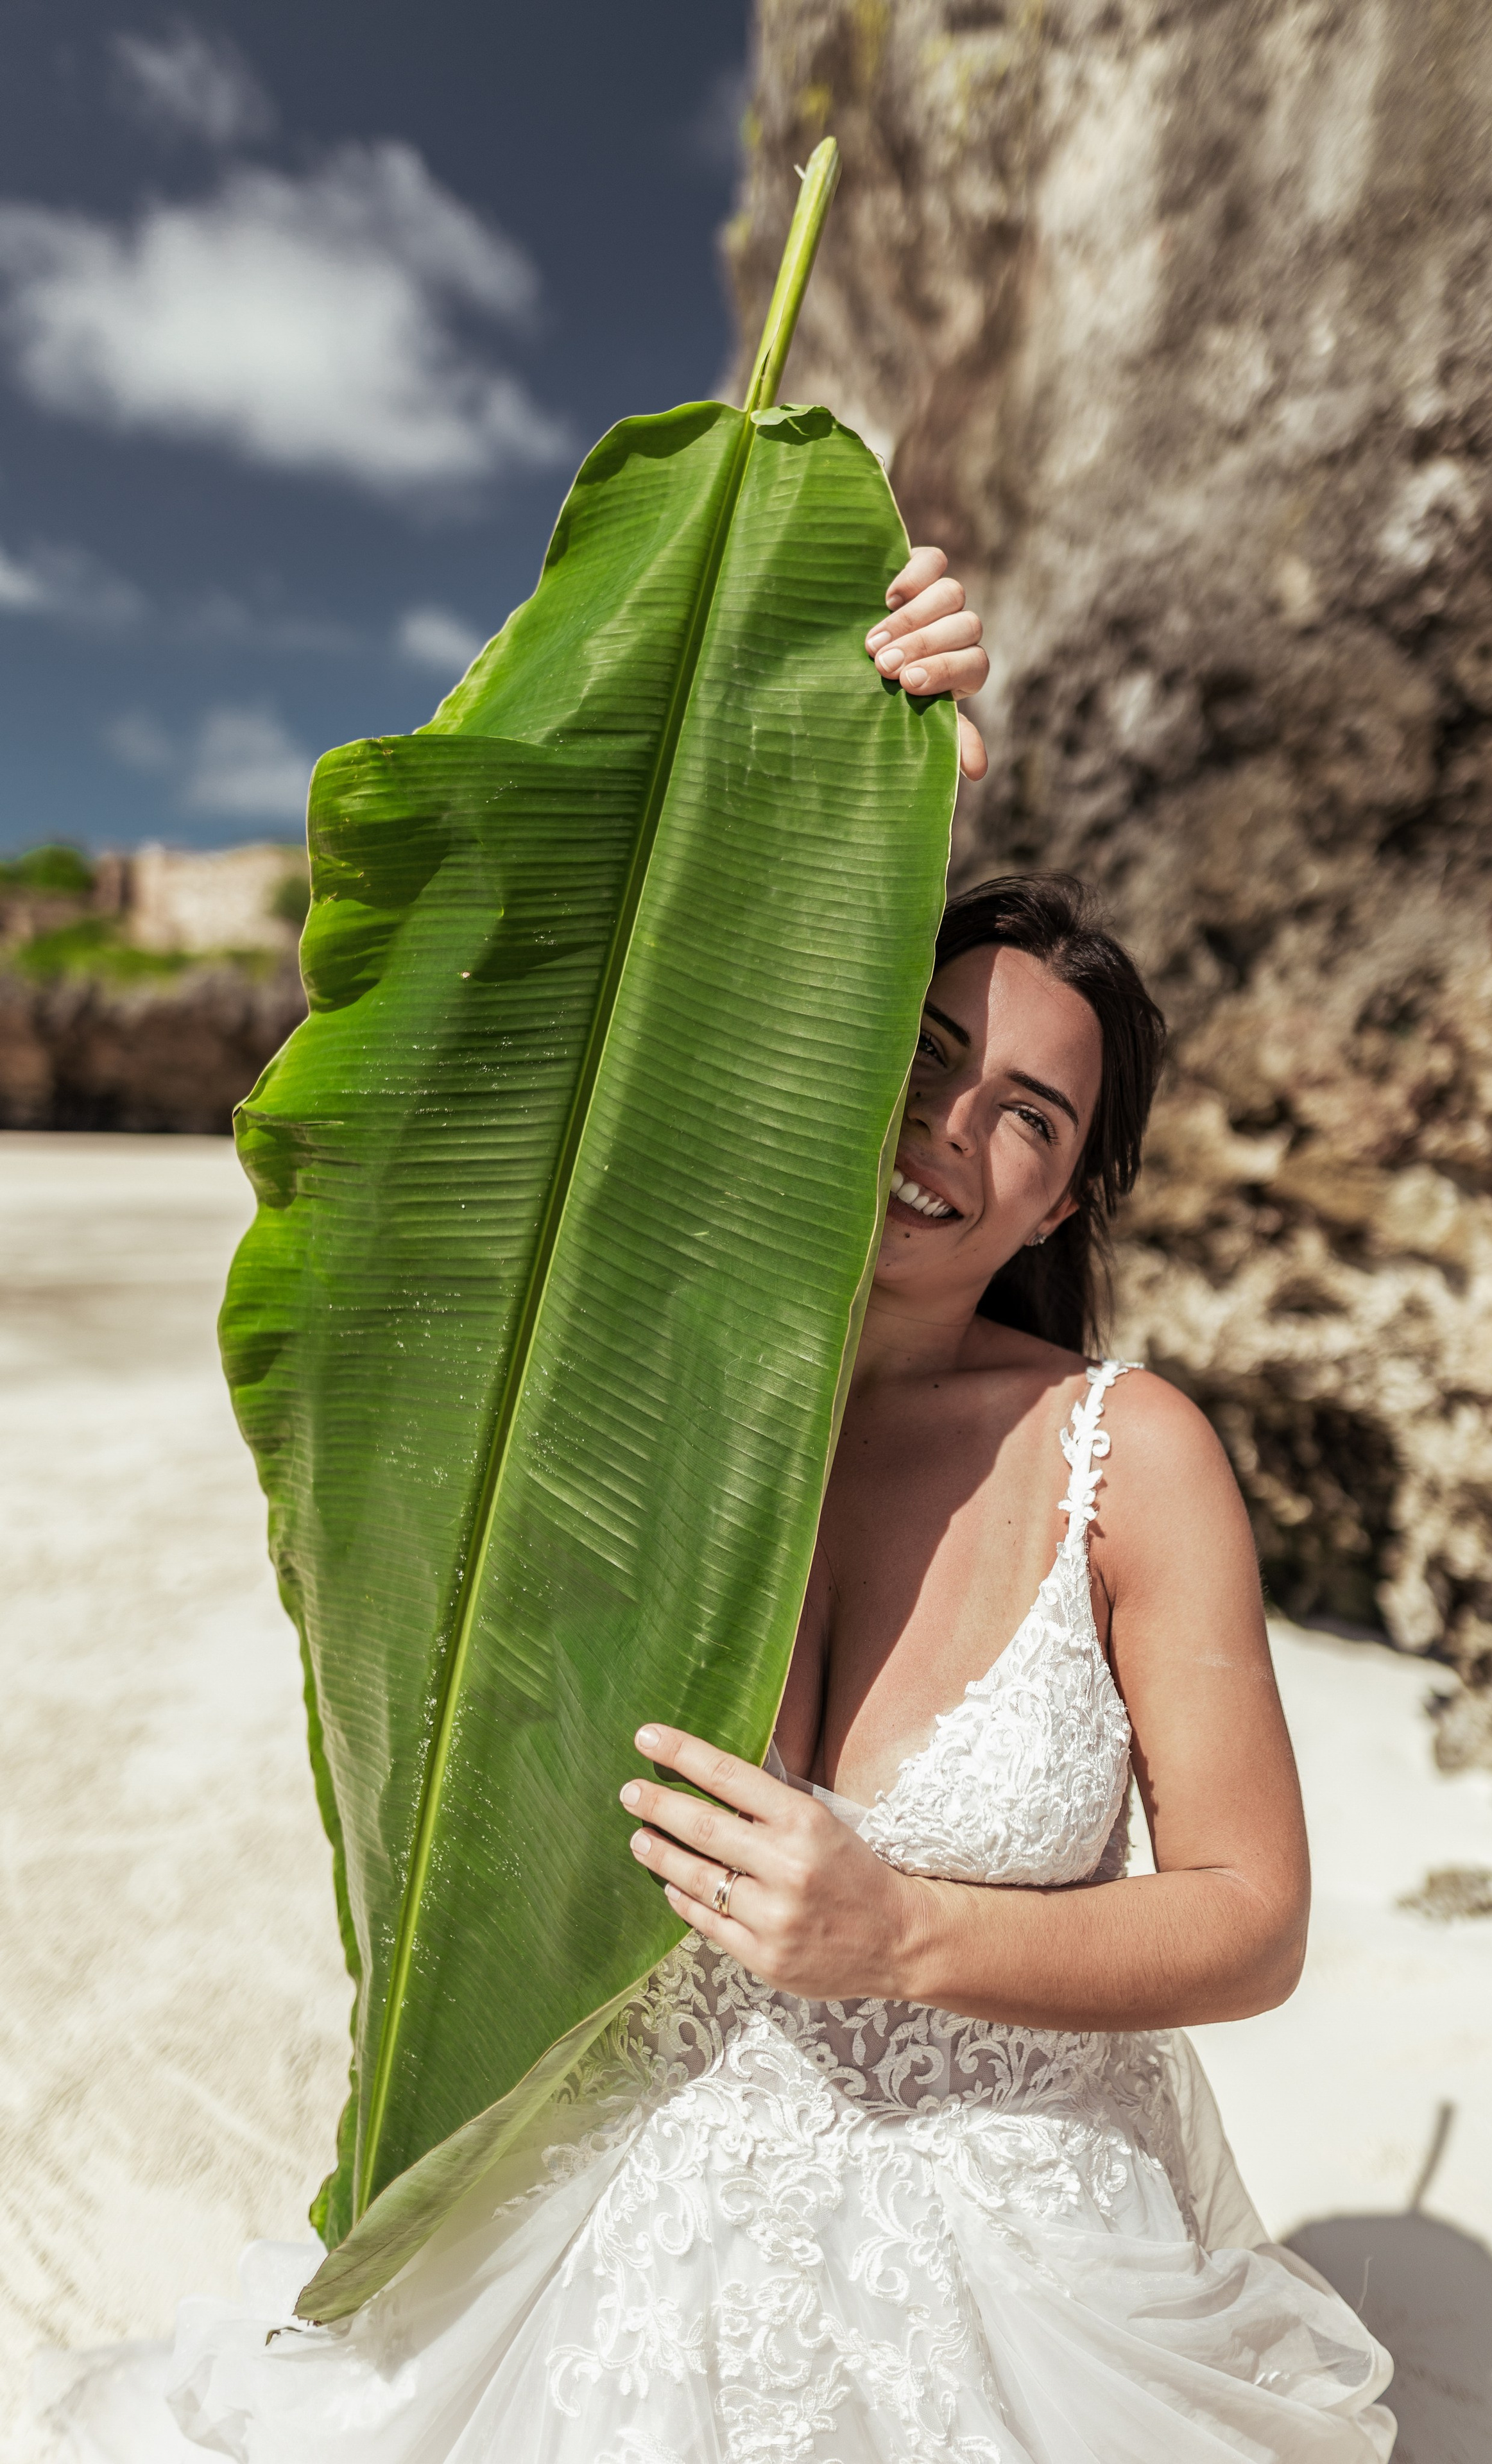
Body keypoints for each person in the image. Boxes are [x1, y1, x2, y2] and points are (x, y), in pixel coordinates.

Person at [44, 552, 1395, 2463]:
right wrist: (857, 738)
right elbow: (549, 1009)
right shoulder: (634, 1384)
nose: (950, 1129)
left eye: (1030, 1115)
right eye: (922, 1054)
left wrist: (900, 1932)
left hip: (1017, 2249)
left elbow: (1252, 1922)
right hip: (627, 2177)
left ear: (1069, 1198)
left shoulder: (1127, 1450)